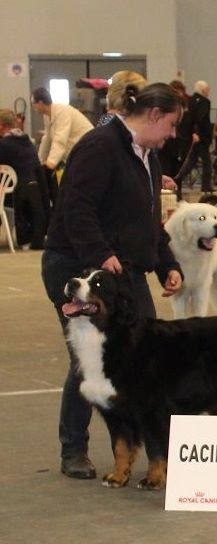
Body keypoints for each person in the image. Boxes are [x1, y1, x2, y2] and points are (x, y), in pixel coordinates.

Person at [41, 82, 184, 480]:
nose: (172, 134)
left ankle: (150, 453)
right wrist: (100, 256)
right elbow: (76, 208)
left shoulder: (147, 156)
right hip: (76, 266)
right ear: (154, 115)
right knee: (89, 359)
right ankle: (74, 448)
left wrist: (166, 264)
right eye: (171, 124)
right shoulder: (100, 146)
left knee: (144, 359)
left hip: (123, 270)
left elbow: (147, 222)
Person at [31, 87, 93, 205]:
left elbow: (60, 139)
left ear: (40, 103)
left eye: (33, 104)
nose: (33, 108)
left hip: (88, 149)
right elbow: (47, 138)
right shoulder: (47, 115)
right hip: (75, 154)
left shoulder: (62, 111)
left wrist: (50, 164)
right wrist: (39, 161)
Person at [0, 109, 49, 249]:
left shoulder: (4, 145)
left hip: (15, 195)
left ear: (1, 125)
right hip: (33, 190)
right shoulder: (26, 140)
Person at [176, 80, 214, 193]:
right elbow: (200, 119)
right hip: (201, 137)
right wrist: (197, 132)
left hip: (191, 135)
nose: (209, 92)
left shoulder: (190, 101)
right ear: (203, 90)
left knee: (191, 161)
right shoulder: (204, 102)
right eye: (207, 89)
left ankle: (177, 178)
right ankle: (206, 186)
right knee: (206, 162)